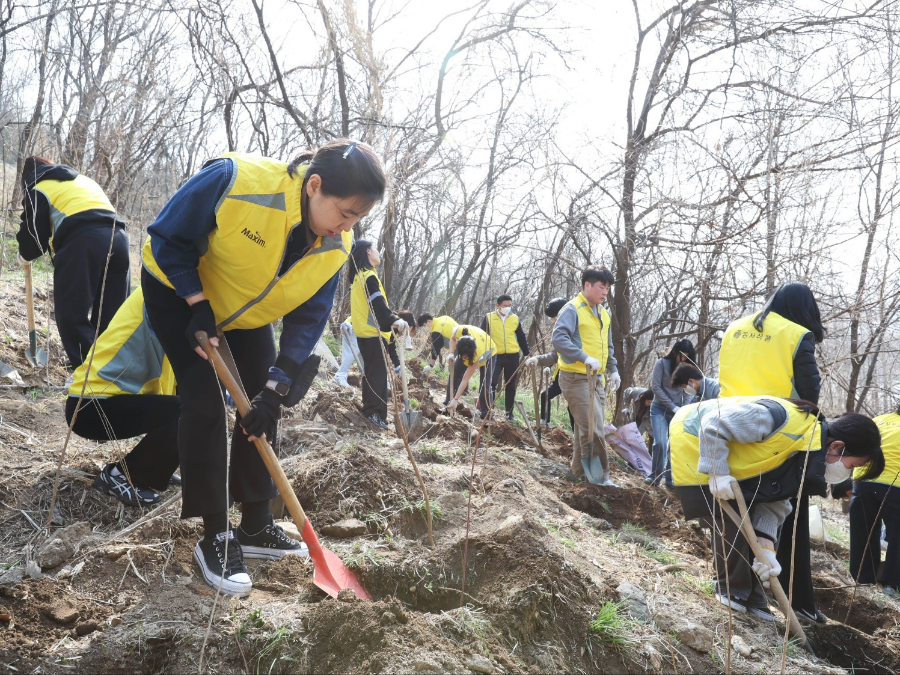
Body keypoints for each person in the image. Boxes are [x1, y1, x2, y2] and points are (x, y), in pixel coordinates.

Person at [141, 139, 386, 597]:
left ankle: (255, 523)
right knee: (205, 403)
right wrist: (196, 302)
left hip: (245, 313)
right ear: (314, 185)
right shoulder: (237, 181)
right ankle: (216, 532)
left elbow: (309, 317)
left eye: (358, 218)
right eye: (346, 212)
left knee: (258, 404)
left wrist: (275, 389)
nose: (348, 226)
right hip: (178, 292)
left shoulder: (336, 245)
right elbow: (167, 235)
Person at [671, 396, 884, 620]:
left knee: (764, 522)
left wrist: (768, 551)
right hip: (694, 436)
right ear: (837, 446)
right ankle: (731, 589)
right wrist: (716, 470)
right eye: (853, 466)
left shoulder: (805, 458)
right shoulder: (782, 421)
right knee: (735, 514)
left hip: (735, 464)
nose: (846, 475)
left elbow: (775, 503)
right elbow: (715, 422)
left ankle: (754, 597)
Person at [717, 281, 826, 624]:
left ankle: (740, 592)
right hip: (774, 432)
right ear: (804, 309)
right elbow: (810, 394)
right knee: (773, 507)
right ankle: (759, 595)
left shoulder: (734, 329)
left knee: (735, 506)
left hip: (729, 422)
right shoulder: (796, 335)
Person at [66, 288, 180, 507]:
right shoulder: (165, 295)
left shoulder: (170, 291)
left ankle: (155, 468)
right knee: (190, 410)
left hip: (115, 399)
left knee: (191, 405)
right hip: (91, 404)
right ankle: (121, 476)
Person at [16, 156, 131, 368]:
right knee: (112, 316)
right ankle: (112, 374)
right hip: (120, 240)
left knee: (71, 313)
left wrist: (24, 254)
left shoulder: (40, 187)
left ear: (28, 178)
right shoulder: (83, 180)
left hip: (84, 241)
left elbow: (33, 233)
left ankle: (86, 373)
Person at [552, 265, 620, 485]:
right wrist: (583, 357)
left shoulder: (603, 313)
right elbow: (559, 339)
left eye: (608, 288)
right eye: (602, 287)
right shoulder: (572, 309)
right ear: (587, 285)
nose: (605, 292)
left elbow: (607, 346)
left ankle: (579, 473)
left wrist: (614, 369)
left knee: (587, 427)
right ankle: (601, 478)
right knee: (593, 427)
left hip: (596, 379)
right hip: (575, 377)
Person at [349, 239, 408, 430]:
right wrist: (393, 320)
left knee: (371, 373)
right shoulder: (369, 277)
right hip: (372, 332)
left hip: (364, 332)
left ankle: (370, 411)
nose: (378, 252)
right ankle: (374, 414)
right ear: (367, 252)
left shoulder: (359, 277)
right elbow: (378, 306)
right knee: (378, 376)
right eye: (375, 249)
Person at [850, 407, 900, 598]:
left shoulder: (879, 420)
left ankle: (861, 581)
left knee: (862, 532)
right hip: (895, 485)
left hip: (863, 481)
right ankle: (892, 585)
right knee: (898, 538)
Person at [648, 339, 696, 488]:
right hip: (659, 409)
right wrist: (672, 406)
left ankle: (670, 481)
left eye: (687, 357)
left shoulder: (688, 368)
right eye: (682, 356)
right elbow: (655, 387)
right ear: (675, 352)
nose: (683, 360)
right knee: (661, 443)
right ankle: (654, 477)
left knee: (674, 446)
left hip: (678, 411)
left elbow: (690, 391)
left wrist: (683, 409)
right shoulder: (661, 364)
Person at [481, 294, 529, 421]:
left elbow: (521, 336)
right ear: (498, 306)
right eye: (505, 306)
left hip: (513, 356)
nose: (508, 308)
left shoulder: (514, 318)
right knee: (491, 382)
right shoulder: (489, 318)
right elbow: (482, 335)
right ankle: (488, 410)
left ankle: (509, 413)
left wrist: (526, 353)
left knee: (511, 385)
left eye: (510, 305)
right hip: (495, 355)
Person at [524, 297, 568, 427]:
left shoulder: (576, 330)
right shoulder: (561, 331)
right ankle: (545, 421)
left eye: (555, 316)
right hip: (562, 375)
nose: (554, 320)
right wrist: (538, 359)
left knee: (573, 410)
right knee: (545, 395)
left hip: (576, 377)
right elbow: (556, 355)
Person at [446, 325, 497, 419]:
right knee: (455, 374)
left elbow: (465, 379)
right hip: (473, 346)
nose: (464, 358)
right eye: (463, 356)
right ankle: (447, 404)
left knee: (485, 384)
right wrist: (451, 353)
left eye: (467, 357)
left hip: (489, 353)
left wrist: (456, 399)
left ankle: (486, 414)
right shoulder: (458, 331)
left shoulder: (477, 353)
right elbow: (452, 339)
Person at [333, 316, 362, 388]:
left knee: (362, 355)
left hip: (364, 330)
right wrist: (348, 322)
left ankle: (368, 381)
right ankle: (340, 376)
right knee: (352, 353)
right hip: (355, 327)